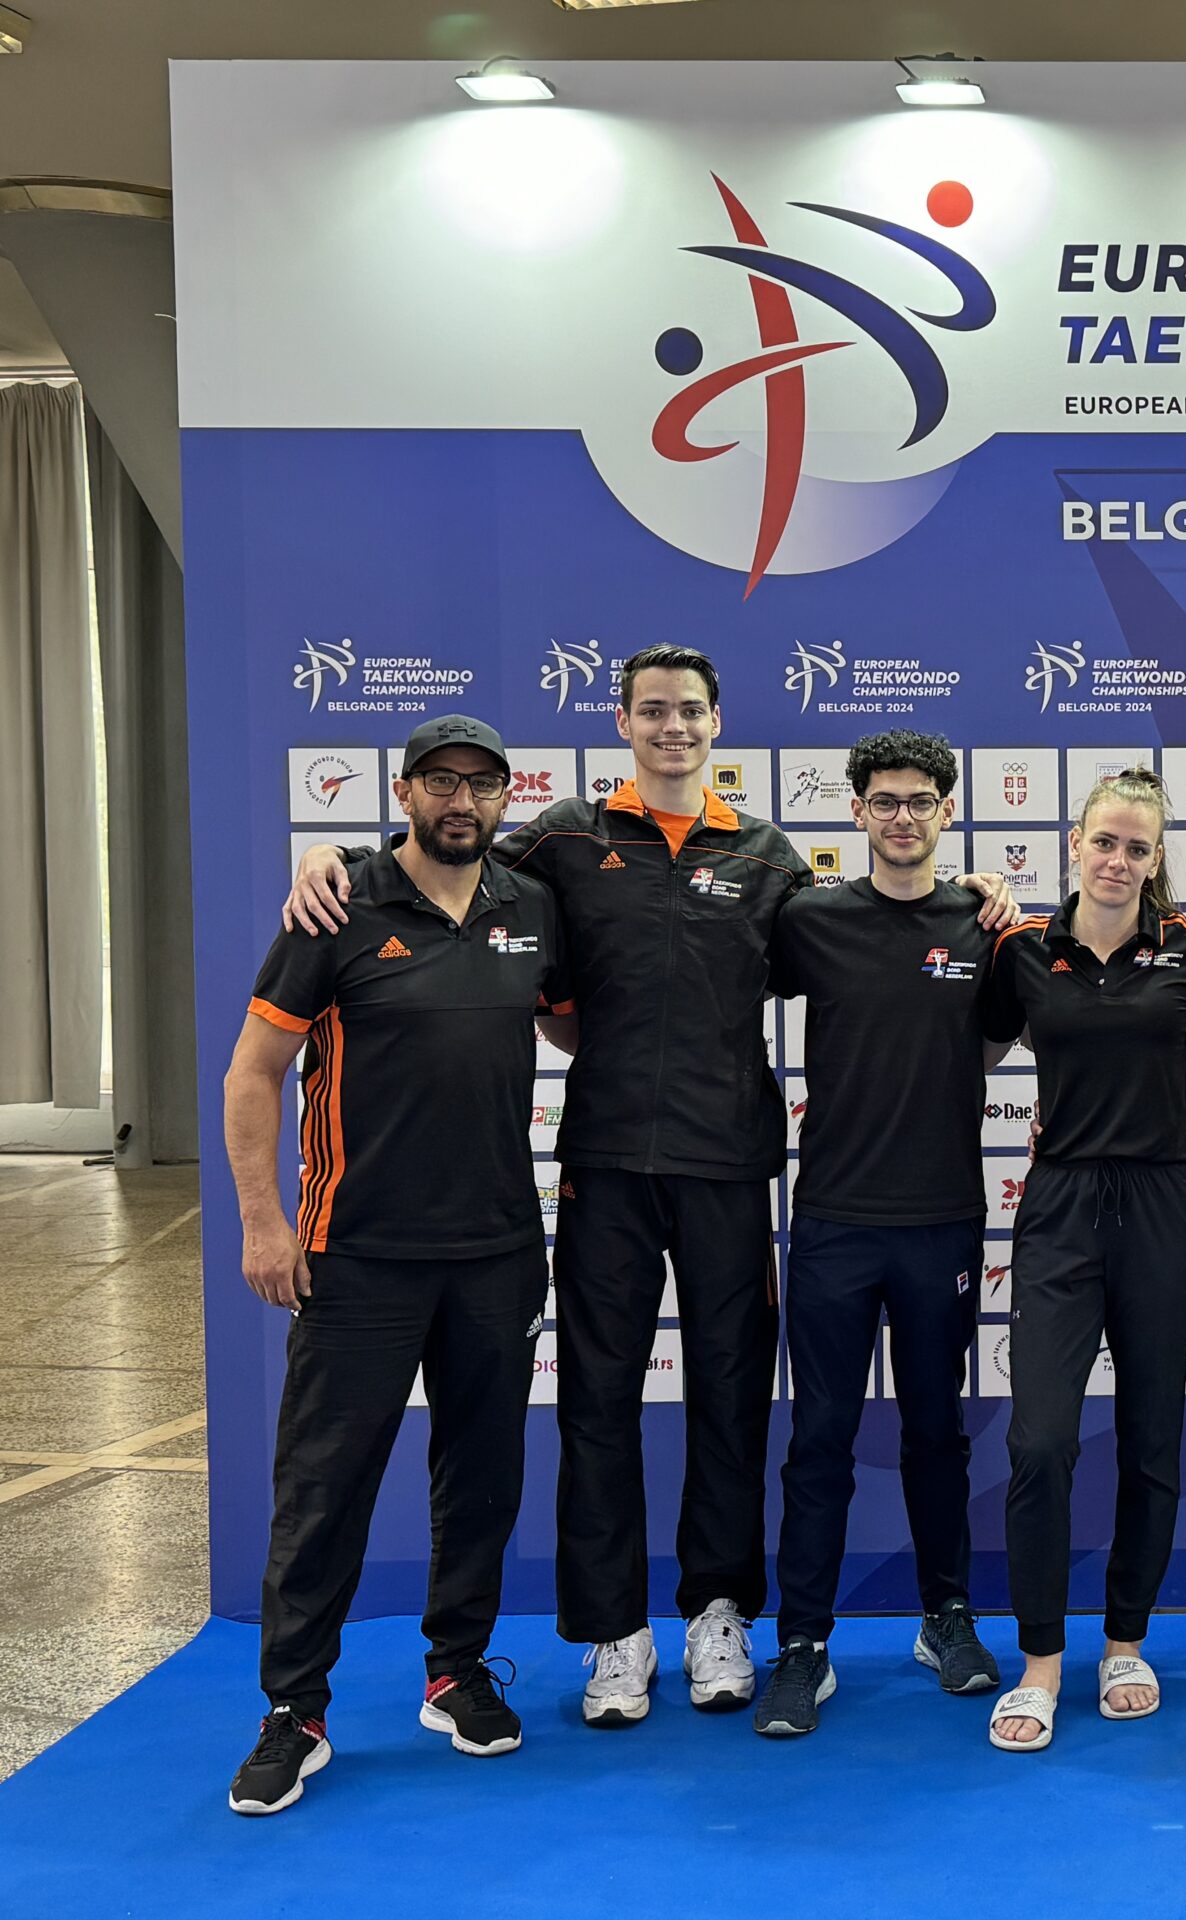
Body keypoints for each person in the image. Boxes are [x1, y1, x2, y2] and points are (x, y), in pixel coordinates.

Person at [283, 646, 1013, 1726]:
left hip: (730, 1163)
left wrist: (980, 892)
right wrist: (335, 857)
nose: (674, 727)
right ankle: (613, 1630)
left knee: (730, 1396)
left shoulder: (768, 857)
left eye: (692, 711)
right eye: (654, 710)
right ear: (623, 722)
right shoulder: (565, 837)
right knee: (598, 1399)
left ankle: (718, 1612)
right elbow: (444, 857)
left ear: (717, 724)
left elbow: (884, 929)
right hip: (606, 1163)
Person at [223, 716, 573, 1814]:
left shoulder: (531, 907)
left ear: (507, 797)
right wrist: (264, 1224)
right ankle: (294, 1709)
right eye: (440, 782)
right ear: (405, 792)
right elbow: (253, 1073)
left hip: (498, 1253)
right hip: (357, 1255)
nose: (461, 801)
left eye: (482, 784)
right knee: (323, 1486)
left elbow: (579, 1026)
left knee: (481, 1478)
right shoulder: (337, 905)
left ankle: (456, 1672)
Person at [980, 769, 1186, 1751]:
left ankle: (1126, 1642)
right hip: (1058, 1206)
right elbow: (961, 1055)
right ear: (1075, 843)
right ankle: (1041, 1663)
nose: (1118, 860)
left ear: (1157, 858)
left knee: (1150, 1437)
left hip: (1163, 1204)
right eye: (1105, 841)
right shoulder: (1018, 949)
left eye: (1137, 848)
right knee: (1040, 1441)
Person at [752, 730, 1007, 1736]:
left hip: (942, 1220)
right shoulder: (810, 919)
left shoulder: (985, 924)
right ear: (857, 811)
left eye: (921, 801)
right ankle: (802, 1644)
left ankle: (946, 1616)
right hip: (834, 1221)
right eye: (885, 801)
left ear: (948, 810)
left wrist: (996, 898)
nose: (904, 817)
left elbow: (1001, 1038)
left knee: (936, 1431)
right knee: (819, 1436)